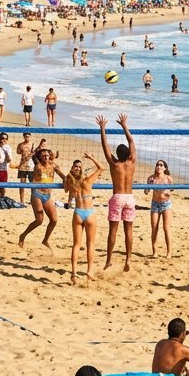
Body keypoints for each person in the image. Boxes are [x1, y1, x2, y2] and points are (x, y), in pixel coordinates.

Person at [99, 113, 137, 272]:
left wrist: (102, 128)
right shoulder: (132, 161)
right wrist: (124, 125)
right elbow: (131, 141)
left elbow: (105, 146)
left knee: (113, 231)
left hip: (117, 198)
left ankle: (108, 260)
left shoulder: (114, 164)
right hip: (130, 198)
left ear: (118, 154)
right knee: (128, 230)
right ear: (128, 153)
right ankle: (128, 258)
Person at [64, 154, 104, 286]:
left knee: (76, 244)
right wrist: (92, 157)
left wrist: (69, 175)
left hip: (78, 213)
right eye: (78, 166)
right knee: (90, 244)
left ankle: (74, 273)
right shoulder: (87, 181)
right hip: (90, 213)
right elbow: (101, 168)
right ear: (80, 170)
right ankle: (89, 271)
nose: (78, 168)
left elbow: (65, 190)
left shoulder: (70, 181)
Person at [19, 147, 62, 249]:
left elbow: (62, 175)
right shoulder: (38, 166)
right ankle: (23, 235)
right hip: (37, 194)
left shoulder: (54, 165)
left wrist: (66, 181)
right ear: (40, 158)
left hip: (47, 195)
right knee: (39, 220)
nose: (46, 157)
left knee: (54, 220)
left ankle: (45, 240)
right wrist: (35, 152)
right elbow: (34, 159)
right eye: (43, 156)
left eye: (47, 155)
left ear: (50, 156)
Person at [147, 159, 174, 258]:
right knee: (154, 228)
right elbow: (146, 191)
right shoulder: (151, 178)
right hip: (155, 204)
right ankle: (155, 252)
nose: (159, 166)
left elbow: (172, 190)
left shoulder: (169, 179)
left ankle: (169, 252)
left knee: (166, 228)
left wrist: (168, 193)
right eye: (157, 165)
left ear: (165, 168)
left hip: (166, 204)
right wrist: (147, 187)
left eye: (161, 165)